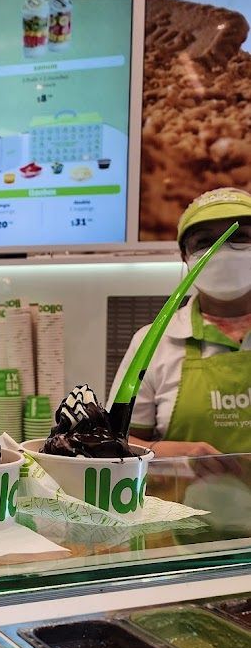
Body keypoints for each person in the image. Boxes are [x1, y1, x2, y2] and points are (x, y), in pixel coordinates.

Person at [108, 187, 251, 457]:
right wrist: (170, 453)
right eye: (205, 242)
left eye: (239, 236)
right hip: (182, 499)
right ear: (185, 256)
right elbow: (115, 443)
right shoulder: (152, 341)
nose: (221, 251)